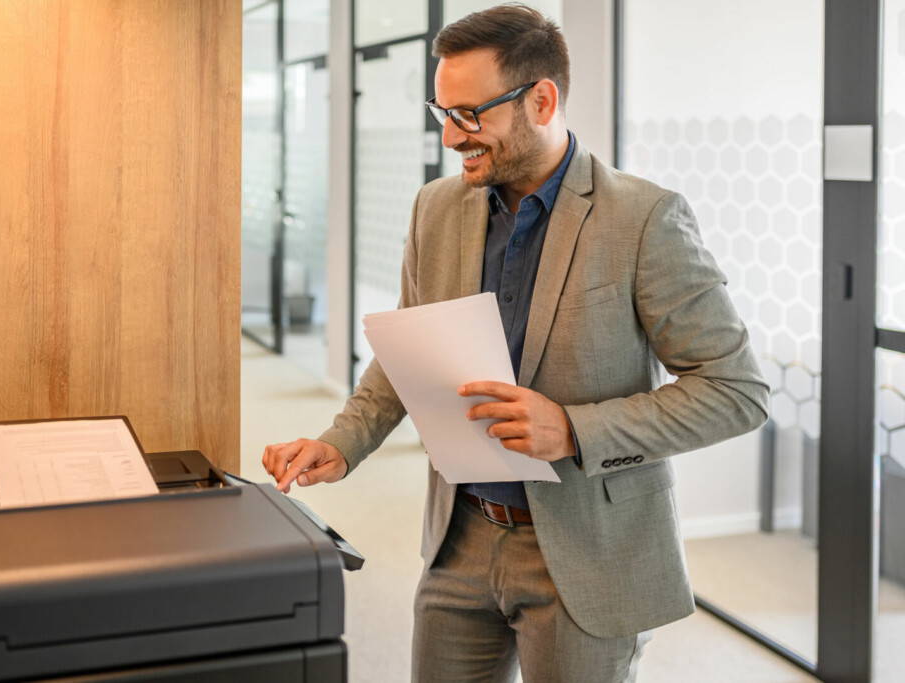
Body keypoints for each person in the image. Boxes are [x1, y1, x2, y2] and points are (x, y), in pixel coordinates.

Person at [262, 5, 769, 682]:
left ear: (542, 99)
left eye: (470, 114)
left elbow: (736, 392)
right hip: (460, 535)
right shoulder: (436, 207)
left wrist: (571, 428)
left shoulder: (643, 218)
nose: (449, 135)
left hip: (588, 550)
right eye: (441, 111)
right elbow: (410, 351)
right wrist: (342, 440)